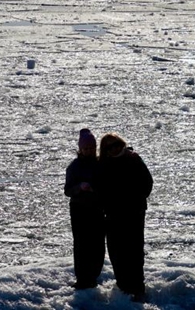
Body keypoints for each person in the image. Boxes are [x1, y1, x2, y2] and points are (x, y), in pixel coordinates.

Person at [97, 133, 153, 301]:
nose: (114, 148)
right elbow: (100, 187)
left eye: (116, 144)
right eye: (109, 147)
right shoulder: (103, 163)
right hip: (113, 214)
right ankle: (123, 286)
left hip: (134, 213)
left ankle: (137, 287)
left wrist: (135, 200)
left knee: (134, 251)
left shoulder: (133, 158)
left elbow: (147, 183)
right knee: (116, 251)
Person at [64, 128, 105, 290]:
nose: (88, 151)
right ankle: (82, 278)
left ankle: (93, 275)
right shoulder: (74, 167)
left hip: (97, 209)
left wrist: (96, 189)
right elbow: (68, 190)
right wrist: (80, 187)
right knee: (82, 244)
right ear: (80, 149)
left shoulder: (100, 164)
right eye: (85, 148)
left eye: (91, 148)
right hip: (79, 209)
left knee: (97, 244)